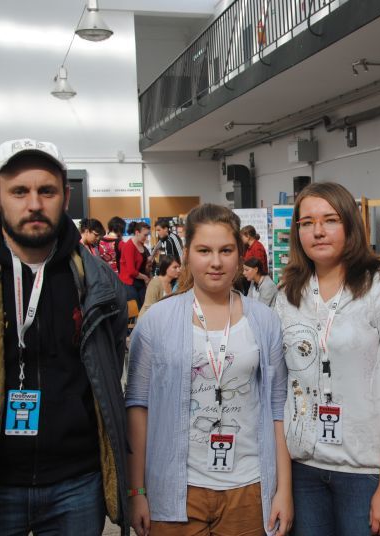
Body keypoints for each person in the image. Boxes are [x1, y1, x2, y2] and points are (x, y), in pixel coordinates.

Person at [0, 139, 129, 534]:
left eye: (46, 191)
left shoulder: (98, 282)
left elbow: (107, 368)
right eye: (19, 191)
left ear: (65, 197)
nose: (34, 204)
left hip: (77, 483)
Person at [126, 203, 293, 536]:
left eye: (226, 250)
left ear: (240, 256)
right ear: (188, 254)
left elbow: (278, 409)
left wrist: (284, 490)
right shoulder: (157, 321)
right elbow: (137, 407)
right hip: (175, 489)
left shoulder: (264, 320)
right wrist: (137, 490)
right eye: (204, 250)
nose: (216, 262)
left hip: (248, 486)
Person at [276, 182, 380, 535]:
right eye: (307, 223)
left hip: (365, 472)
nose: (318, 231)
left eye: (330, 220)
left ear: (350, 225)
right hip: (304, 468)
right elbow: (280, 390)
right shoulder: (287, 297)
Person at [119, 221, 151, 308]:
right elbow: (131, 271)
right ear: (137, 233)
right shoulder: (129, 246)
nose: (146, 237)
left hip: (140, 282)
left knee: (145, 308)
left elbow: (142, 263)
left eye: (147, 235)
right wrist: (145, 278)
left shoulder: (141, 244)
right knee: (136, 310)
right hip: (130, 283)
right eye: (145, 235)